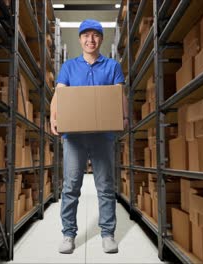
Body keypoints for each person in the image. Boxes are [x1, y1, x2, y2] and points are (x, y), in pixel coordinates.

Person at [50, 19, 128, 254]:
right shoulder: (69, 67)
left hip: (103, 135)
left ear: (101, 39)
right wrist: (53, 117)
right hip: (74, 137)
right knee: (71, 186)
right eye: (86, 35)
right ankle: (68, 234)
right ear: (80, 39)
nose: (90, 39)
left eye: (95, 35)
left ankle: (107, 234)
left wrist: (124, 117)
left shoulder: (112, 66)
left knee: (105, 185)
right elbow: (59, 94)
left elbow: (119, 94)